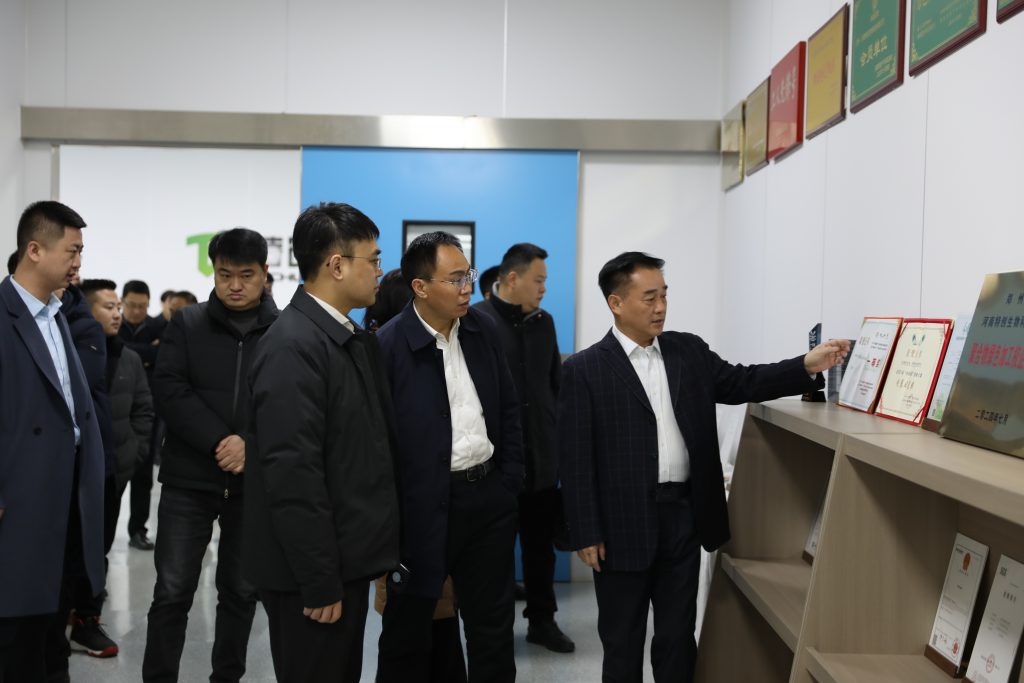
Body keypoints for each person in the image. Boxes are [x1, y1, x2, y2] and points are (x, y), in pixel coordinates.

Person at [558, 252, 850, 683]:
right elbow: (575, 457)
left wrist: (806, 365)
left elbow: (743, 381)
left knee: (678, 637)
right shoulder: (585, 369)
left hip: (682, 516)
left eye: (664, 296)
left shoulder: (687, 351)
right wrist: (585, 530)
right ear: (616, 303)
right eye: (649, 298)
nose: (660, 307)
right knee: (622, 641)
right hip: (620, 526)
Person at [245, 202, 400, 683]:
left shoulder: (342, 336)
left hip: (341, 562)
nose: (379, 271)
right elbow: (293, 475)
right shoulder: (293, 345)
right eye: (373, 260)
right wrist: (318, 580)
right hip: (311, 577)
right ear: (337, 265)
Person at [376, 231, 524, 683]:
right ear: (420, 287)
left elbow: (508, 409)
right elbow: (378, 443)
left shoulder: (482, 329)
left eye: (468, 275)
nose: (467, 288)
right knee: (407, 631)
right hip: (422, 507)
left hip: (488, 500)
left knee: (492, 630)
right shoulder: (388, 346)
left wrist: (508, 481)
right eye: (455, 279)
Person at [142, 228, 278, 683]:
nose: (234, 285)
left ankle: (227, 678)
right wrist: (222, 440)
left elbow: (290, 402)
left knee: (240, 592)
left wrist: (251, 443)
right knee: (172, 591)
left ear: (265, 273)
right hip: (189, 479)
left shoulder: (282, 331)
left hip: (252, 484)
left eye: (246, 275)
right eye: (224, 274)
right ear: (213, 272)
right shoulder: (187, 323)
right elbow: (169, 389)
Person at [0, 201, 106, 681]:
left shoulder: (57, 314)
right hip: (20, 502)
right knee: (17, 640)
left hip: (65, 499)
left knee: (52, 636)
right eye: (72, 251)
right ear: (35, 250)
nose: (79, 262)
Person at [474, 243, 574, 653]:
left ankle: (542, 622)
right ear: (512, 279)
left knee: (540, 551)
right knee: (494, 555)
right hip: (495, 466)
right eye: (539, 280)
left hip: (541, 461)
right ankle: (495, 631)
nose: (544, 288)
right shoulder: (476, 322)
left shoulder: (544, 323)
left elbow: (554, 387)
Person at [119, 279, 165, 551]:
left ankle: (138, 529)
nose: (137, 311)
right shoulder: (113, 324)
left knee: (143, 476)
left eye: (142, 306)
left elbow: (163, 355)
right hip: (117, 409)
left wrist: (128, 350)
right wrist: (148, 352)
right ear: (122, 302)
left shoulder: (159, 327)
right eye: (132, 305)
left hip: (147, 410)